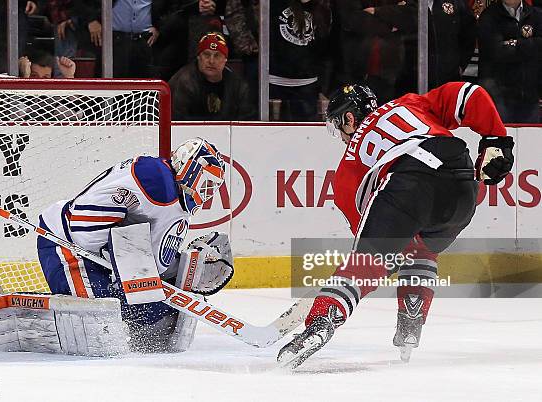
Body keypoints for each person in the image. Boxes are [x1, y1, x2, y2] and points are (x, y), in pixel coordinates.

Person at [277, 82, 514, 368]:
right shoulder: (410, 103)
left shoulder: (350, 163)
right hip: (465, 185)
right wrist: (496, 140)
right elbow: (468, 93)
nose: (341, 136)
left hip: (410, 178)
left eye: (338, 126)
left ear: (350, 119)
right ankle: (411, 321)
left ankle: (321, 323)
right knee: (423, 250)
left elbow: (379, 254)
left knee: (365, 262)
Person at [36, 138, 233, 352]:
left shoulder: (173, 200)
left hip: (94, 252)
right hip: (64, 241)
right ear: (190, 168)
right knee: (98, 325)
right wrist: (173, 278)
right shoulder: (158, 178)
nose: (206, 192)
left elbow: (152, 267)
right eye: (206, 182)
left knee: (157, 319)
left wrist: (186, 268)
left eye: (211, 188)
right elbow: (85, 233)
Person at [478, 0, 542, 123]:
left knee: (529, 139)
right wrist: (530, 46)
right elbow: (497, 51)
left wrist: (514, 43)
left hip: (529, 93)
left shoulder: (536, 15)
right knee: (501, 137)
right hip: (499, 93)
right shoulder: (489, 16)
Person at [169, 32, 256, 120]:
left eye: (217, 56)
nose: (211, 61)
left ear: (225, 60)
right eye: (206, 55)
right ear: (199, 57)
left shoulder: (238, 85)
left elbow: (247, 119)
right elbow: (177, 121)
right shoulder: (184, 82)